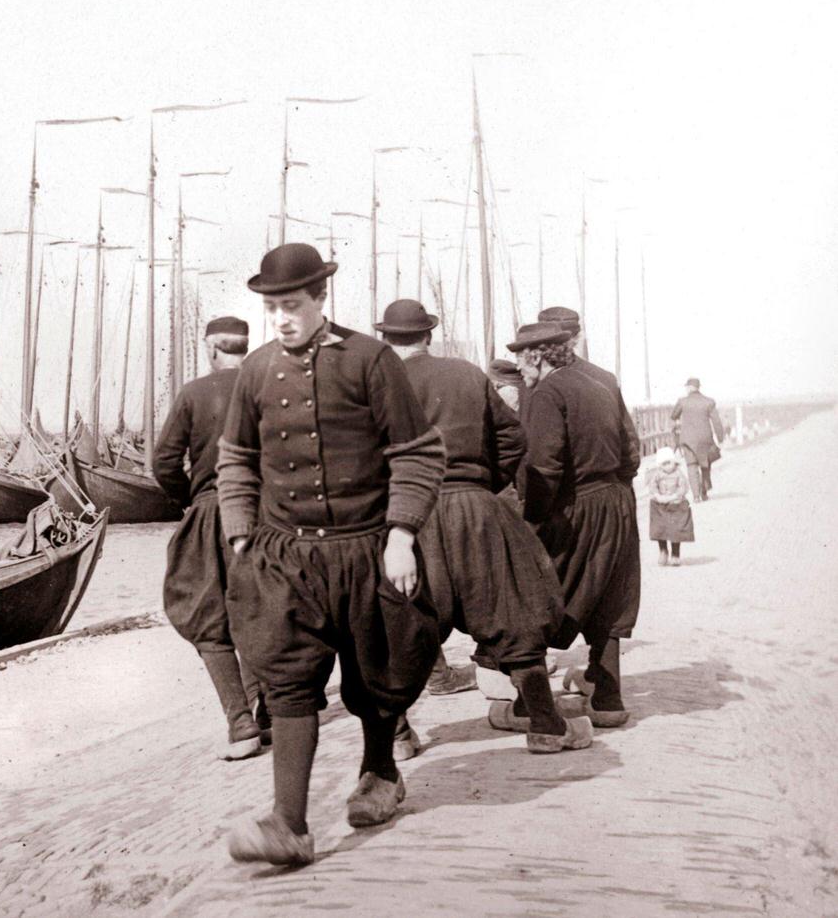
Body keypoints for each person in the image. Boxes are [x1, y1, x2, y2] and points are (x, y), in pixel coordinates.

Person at [218, 243, 445, 866]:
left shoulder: (371, 360)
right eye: (272, 308)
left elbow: (418, 452)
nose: (282, 318)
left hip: (366, 548)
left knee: (373, 672)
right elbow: (236, 458)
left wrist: (402, 533)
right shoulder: (257, 370)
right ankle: (289, 824)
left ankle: (380, 774)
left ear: (321, 299)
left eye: (292, 305)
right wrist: (241, 535)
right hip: (286, 557)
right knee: (288, 680)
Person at [377, 300, 589, 753]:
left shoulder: (374, 382)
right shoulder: (466, 373)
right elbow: (513, 439)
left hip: (406, 518)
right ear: (428, 335)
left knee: (402, 625)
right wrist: (478, 484)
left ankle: (396, 737)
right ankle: (546, 726)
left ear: (385, 340)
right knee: (512, 612)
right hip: (474, 507)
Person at [511, 322, 642, 729]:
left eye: (521, 358)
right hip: (615, 501)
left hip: (576, 506)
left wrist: (530, 521)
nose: (519, 368)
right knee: (608, 596)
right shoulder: (598, 383)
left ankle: (528, 706)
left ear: (537, 355)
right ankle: (607, 698)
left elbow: (545, 467)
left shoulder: (549, 392)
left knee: (538, 595)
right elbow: (630, 452)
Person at [153, 316, 267, 761]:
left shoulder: (194, 393)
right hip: (265, 515)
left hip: (212, 511)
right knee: (263, 610)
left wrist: (193, 500)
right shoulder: (269, 387)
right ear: (245, 346)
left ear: (211, 349)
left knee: (205, 613)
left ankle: (240, 722)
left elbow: (164, 462)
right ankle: (271, 714)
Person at [671, 378, 724, 501]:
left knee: (691, 465)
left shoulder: (682, 401)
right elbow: (716, 421)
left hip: (688, 439)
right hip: (705, 439)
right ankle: (704, 493)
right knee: (705, 465)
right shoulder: (709, 402)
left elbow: (673, 416)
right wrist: (720, 438)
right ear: (698, 387)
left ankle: (695, 496)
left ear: (689, 387)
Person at [647, 446, 694, 565]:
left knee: (675, 530)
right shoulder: (657, 474)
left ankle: (675, 554)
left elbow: (683, 486)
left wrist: (676, 496)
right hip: (661, 504)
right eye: (664, 464)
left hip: (675, 503)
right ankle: (663, 550)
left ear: (674, 462)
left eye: (669, 463)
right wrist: (657, 495)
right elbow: (652, 486)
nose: (667, 466)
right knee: (660, 528)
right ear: (660, 465)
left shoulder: (678, 473)